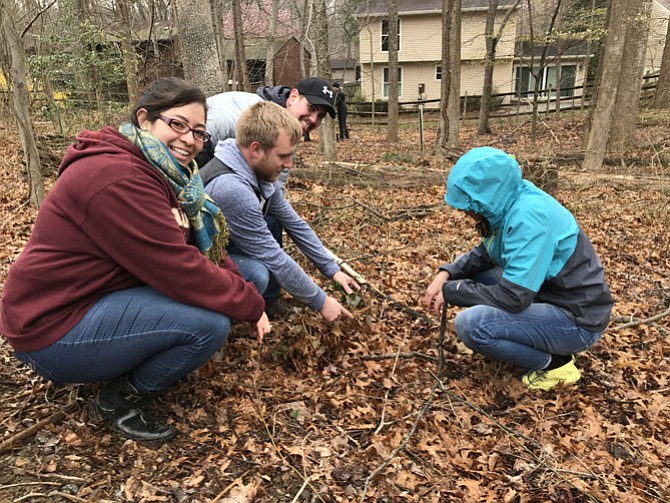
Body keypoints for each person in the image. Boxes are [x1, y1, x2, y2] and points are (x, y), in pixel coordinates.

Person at [0, 77, 271, 443]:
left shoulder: (164, 174)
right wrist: (251, 305)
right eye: (177, 124)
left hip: (94, 296)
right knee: (208, 325)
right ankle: (117, 399)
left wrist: (244, 288)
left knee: (250, 275)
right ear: (145, 119)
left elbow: (200, 247)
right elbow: (180, 269)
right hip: (50, 327)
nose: (189, 140)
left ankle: (130, 354)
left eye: (198, 132)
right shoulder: (118, 178)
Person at [424, 147, 613, 391]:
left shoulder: (529, 218)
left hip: (577, 319)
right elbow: (487, 252)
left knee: (471, 325)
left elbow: (514, 298)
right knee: (475, 275)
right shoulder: (509, 202)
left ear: (484, 198)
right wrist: (448, 272)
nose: (464, 212)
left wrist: (454, 291)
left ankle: (556, 365)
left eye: (466, 206)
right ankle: (535, 342)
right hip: (548, 295)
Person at [204, 101, 360, 323]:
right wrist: (321, 302)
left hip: (220, 247)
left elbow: (295, 224)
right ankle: (218, 323)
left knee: (274, 222)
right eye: (282, 156)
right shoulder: (232, 188)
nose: (289, 165)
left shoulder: (255, 171)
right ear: (256, 149)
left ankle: (260, 303)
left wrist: (331, 269)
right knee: (258, 274)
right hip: (195, 267)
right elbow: (272, 256)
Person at [194, 76, 336, 168]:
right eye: (311, 108)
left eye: (321, 116)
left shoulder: (289, 128)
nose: (313, 119)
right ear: (293, 97)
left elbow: (274, 187)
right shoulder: (247, 114)